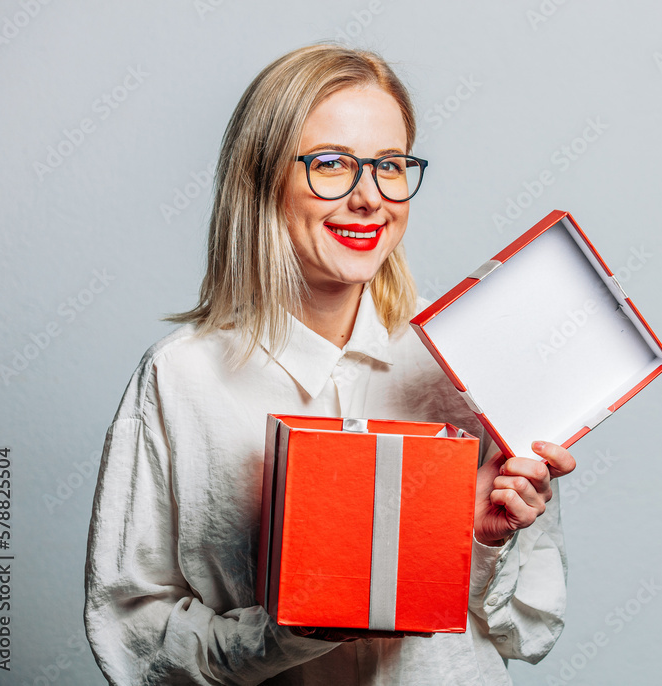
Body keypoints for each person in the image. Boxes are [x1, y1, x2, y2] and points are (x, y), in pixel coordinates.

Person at [84, 43, 576, 685]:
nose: (370, 198)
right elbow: (131, 635)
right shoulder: (181, 379)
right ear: (262, 179)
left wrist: (482, 543)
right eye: (332, 164)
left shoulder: (472, 357)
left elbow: (532, 629)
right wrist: (289, 631)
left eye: (391, 166)